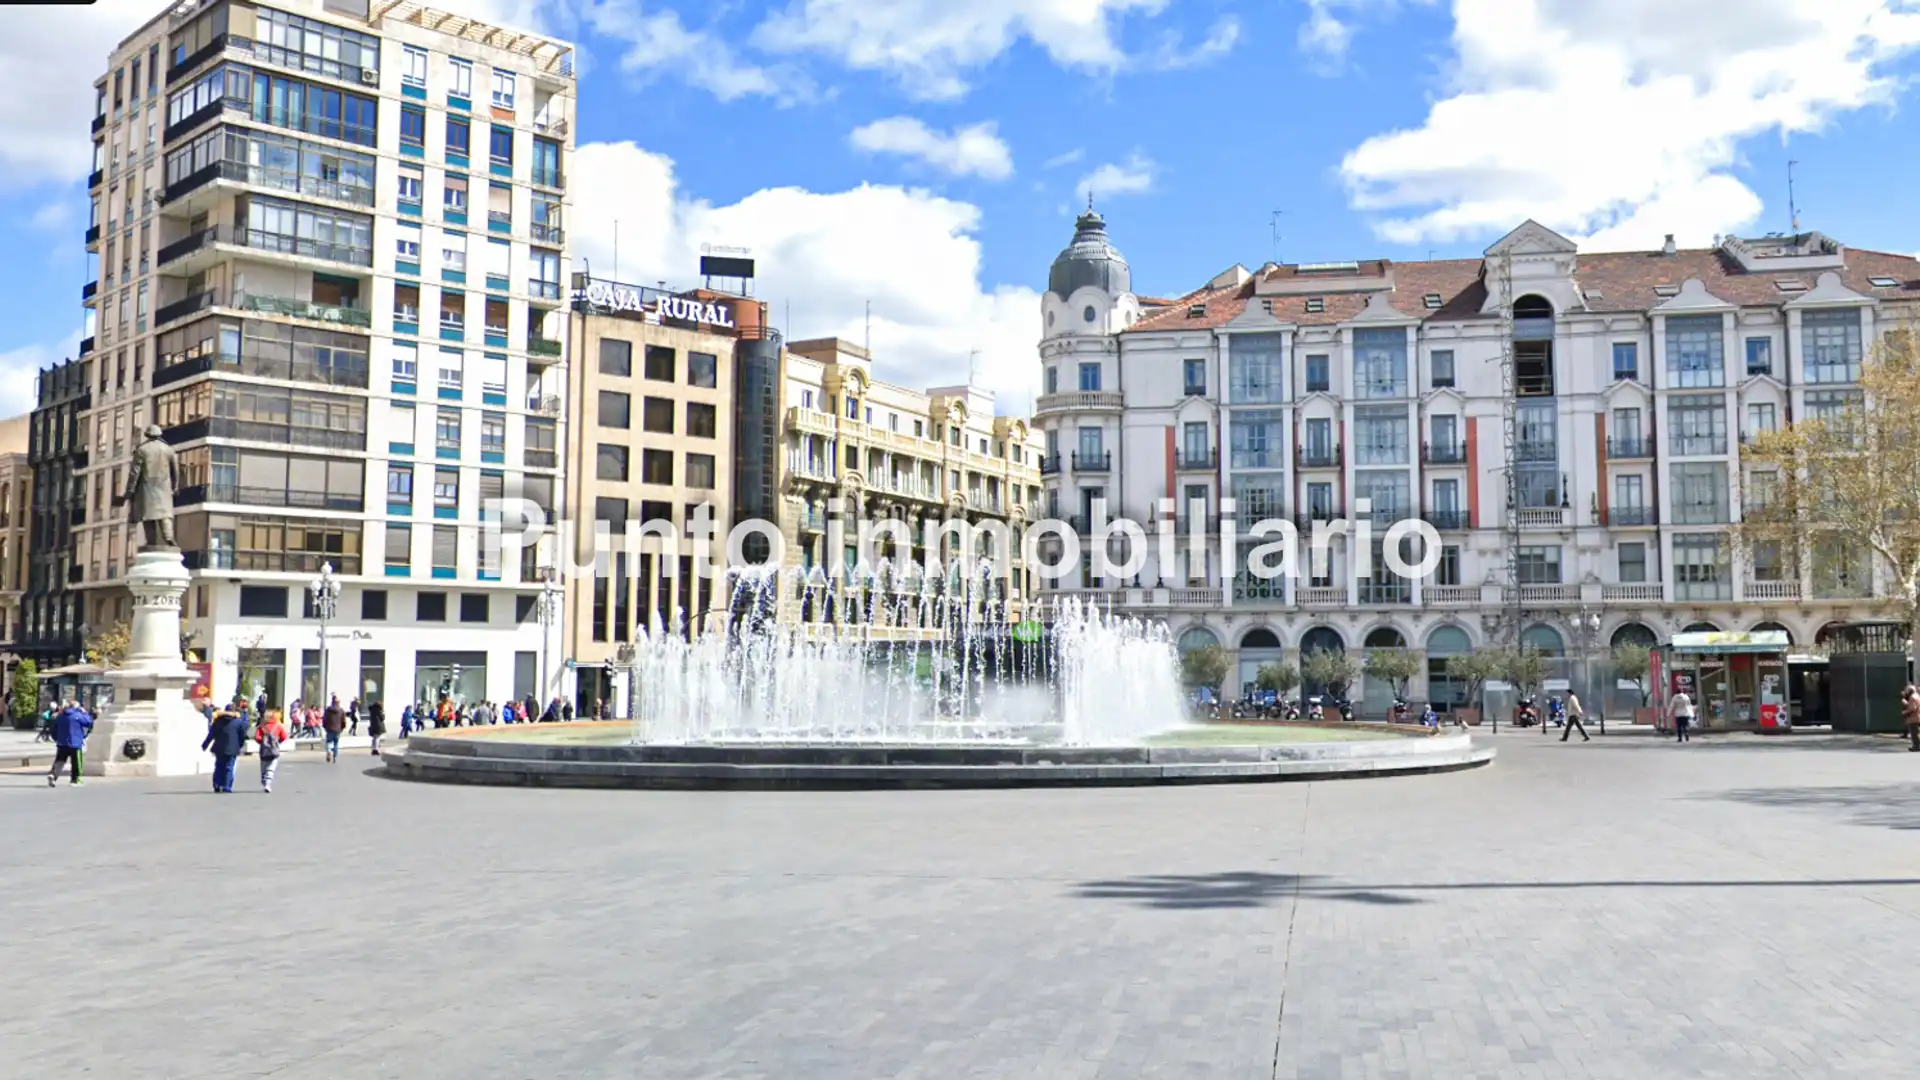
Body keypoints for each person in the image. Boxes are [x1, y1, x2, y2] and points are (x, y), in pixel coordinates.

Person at [202, 700, 249, 793]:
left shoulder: (218, 721)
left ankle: (217, 784)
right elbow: (242, 735)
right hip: (232, 748)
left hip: (219, 747)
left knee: (219, 766)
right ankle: (227, 786)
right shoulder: (238, 722)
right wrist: (240, 745)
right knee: (229, 767)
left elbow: (211, 734)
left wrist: (205, 745)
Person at [47, 699, 92, 787]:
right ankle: (75, 780)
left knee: (59, 760)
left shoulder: (60, 716)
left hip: (62, 743)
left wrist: (57, 739)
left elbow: (53, 730)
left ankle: (53, 774)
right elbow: (88, 722)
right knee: (76, 763)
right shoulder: (77, 715)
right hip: (75, 743)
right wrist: (85, 713)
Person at [254, 707, 289, 793]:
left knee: (264, 767)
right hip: (274, 750)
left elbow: (257, 737)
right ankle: (268, 784)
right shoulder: (279, 726)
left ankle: (263, 779)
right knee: (271, 768)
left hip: (264, 751)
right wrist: (277, 742)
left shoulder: (261, 727)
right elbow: (284, 736)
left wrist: (262, 742)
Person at [321, 695, 347, 763]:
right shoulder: (341, 710)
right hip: (338, 730)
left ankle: (329, 751)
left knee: (329, 742)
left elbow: (324, 719)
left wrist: (325, 727)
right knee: (336, 743)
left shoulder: (328, 710)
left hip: (329, 729)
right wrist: (342, 728)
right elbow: (344, 721)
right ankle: (335, 756)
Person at [1902, 684, 1920, 752]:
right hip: (1917, 716)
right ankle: (1916, 745)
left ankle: (1916, 746)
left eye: (1908, 690)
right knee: (1916, 733)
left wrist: (1905, 712)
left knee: (1914, 733)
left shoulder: (1912, 697)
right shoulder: (1917, 696)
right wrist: (1907, 703)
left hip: (1914, 718)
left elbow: (1912, 708)